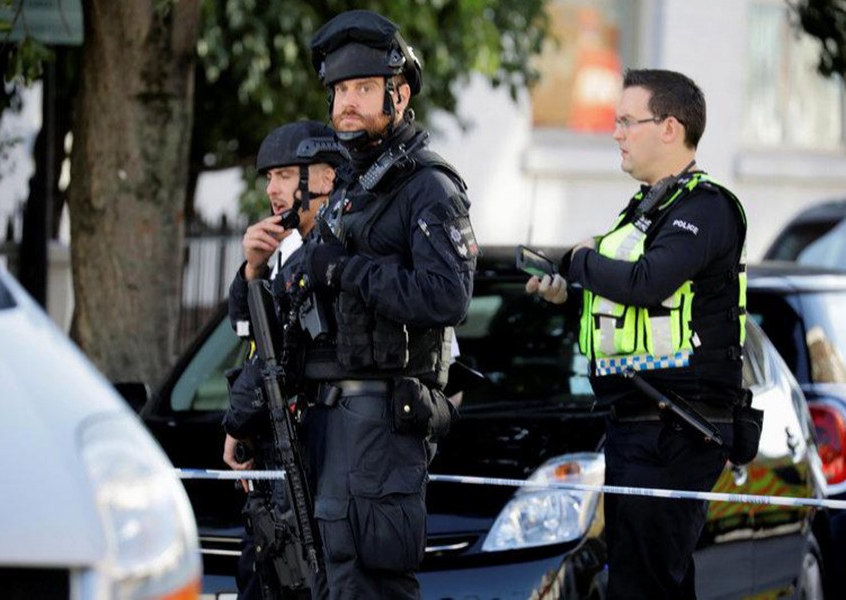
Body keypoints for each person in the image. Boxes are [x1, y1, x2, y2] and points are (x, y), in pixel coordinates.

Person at [267, 10, 477, 599]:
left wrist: (346, 269)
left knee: (369, 584)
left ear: (398, 94)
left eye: (362, 89)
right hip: (327, 418)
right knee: (332, 579)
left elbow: (448, 295)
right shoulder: (352, 191)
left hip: (382, 422)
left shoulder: (428, 187)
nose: (346, 104)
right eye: (338, 91)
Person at [526, 69, 747, 599]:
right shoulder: (648, 208)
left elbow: (649, 283)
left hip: (679, 426)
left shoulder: (707, 207)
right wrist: (568, 287)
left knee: (644, 586)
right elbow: (631, 299)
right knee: (646, 582)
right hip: (636, 423)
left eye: (627, 121)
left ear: (670, 128)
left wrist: (581, 261)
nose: (617, 134)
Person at [222, 120, 344, 600]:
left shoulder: (327, 251)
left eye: (285, 175)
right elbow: (247, 332)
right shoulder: (280, 248)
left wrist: (236, 422)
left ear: (323, 179)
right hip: (274, 452)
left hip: (312, 455)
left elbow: (285, 354)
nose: (272, 189)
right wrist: (251, 271)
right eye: (268, 177)